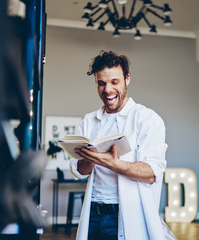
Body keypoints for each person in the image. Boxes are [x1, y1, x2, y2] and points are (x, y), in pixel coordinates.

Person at [70, 50, 170, 240]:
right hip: (92, 212)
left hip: (125, 214)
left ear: (127, 79)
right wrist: (90, 160)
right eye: (102, 83)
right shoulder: (89, 121)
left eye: (114, 82)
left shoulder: (147, 118)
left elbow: (152, 173)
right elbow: (81, 170)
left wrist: (113, 163)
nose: (107, 90)